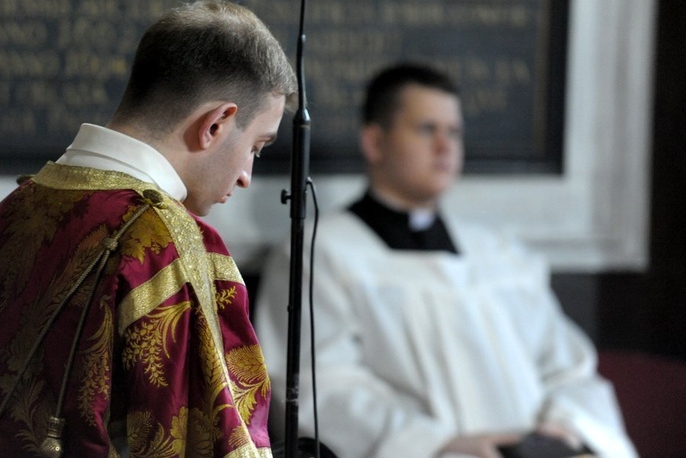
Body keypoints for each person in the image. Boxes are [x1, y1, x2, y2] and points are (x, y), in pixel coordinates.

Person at [0, 0, 296, 458]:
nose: (247, 175)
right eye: (257, 147)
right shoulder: (165, 242)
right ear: (217, 124)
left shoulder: (11, 211)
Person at [254, 63, 637, 458]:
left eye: (453, 132)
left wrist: (568, 434)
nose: (445, 146)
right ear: (375, 142)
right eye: (426, 129)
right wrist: (440, 444)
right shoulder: (323, 252)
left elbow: (568, 371)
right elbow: (324, 385)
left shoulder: (502, 254)